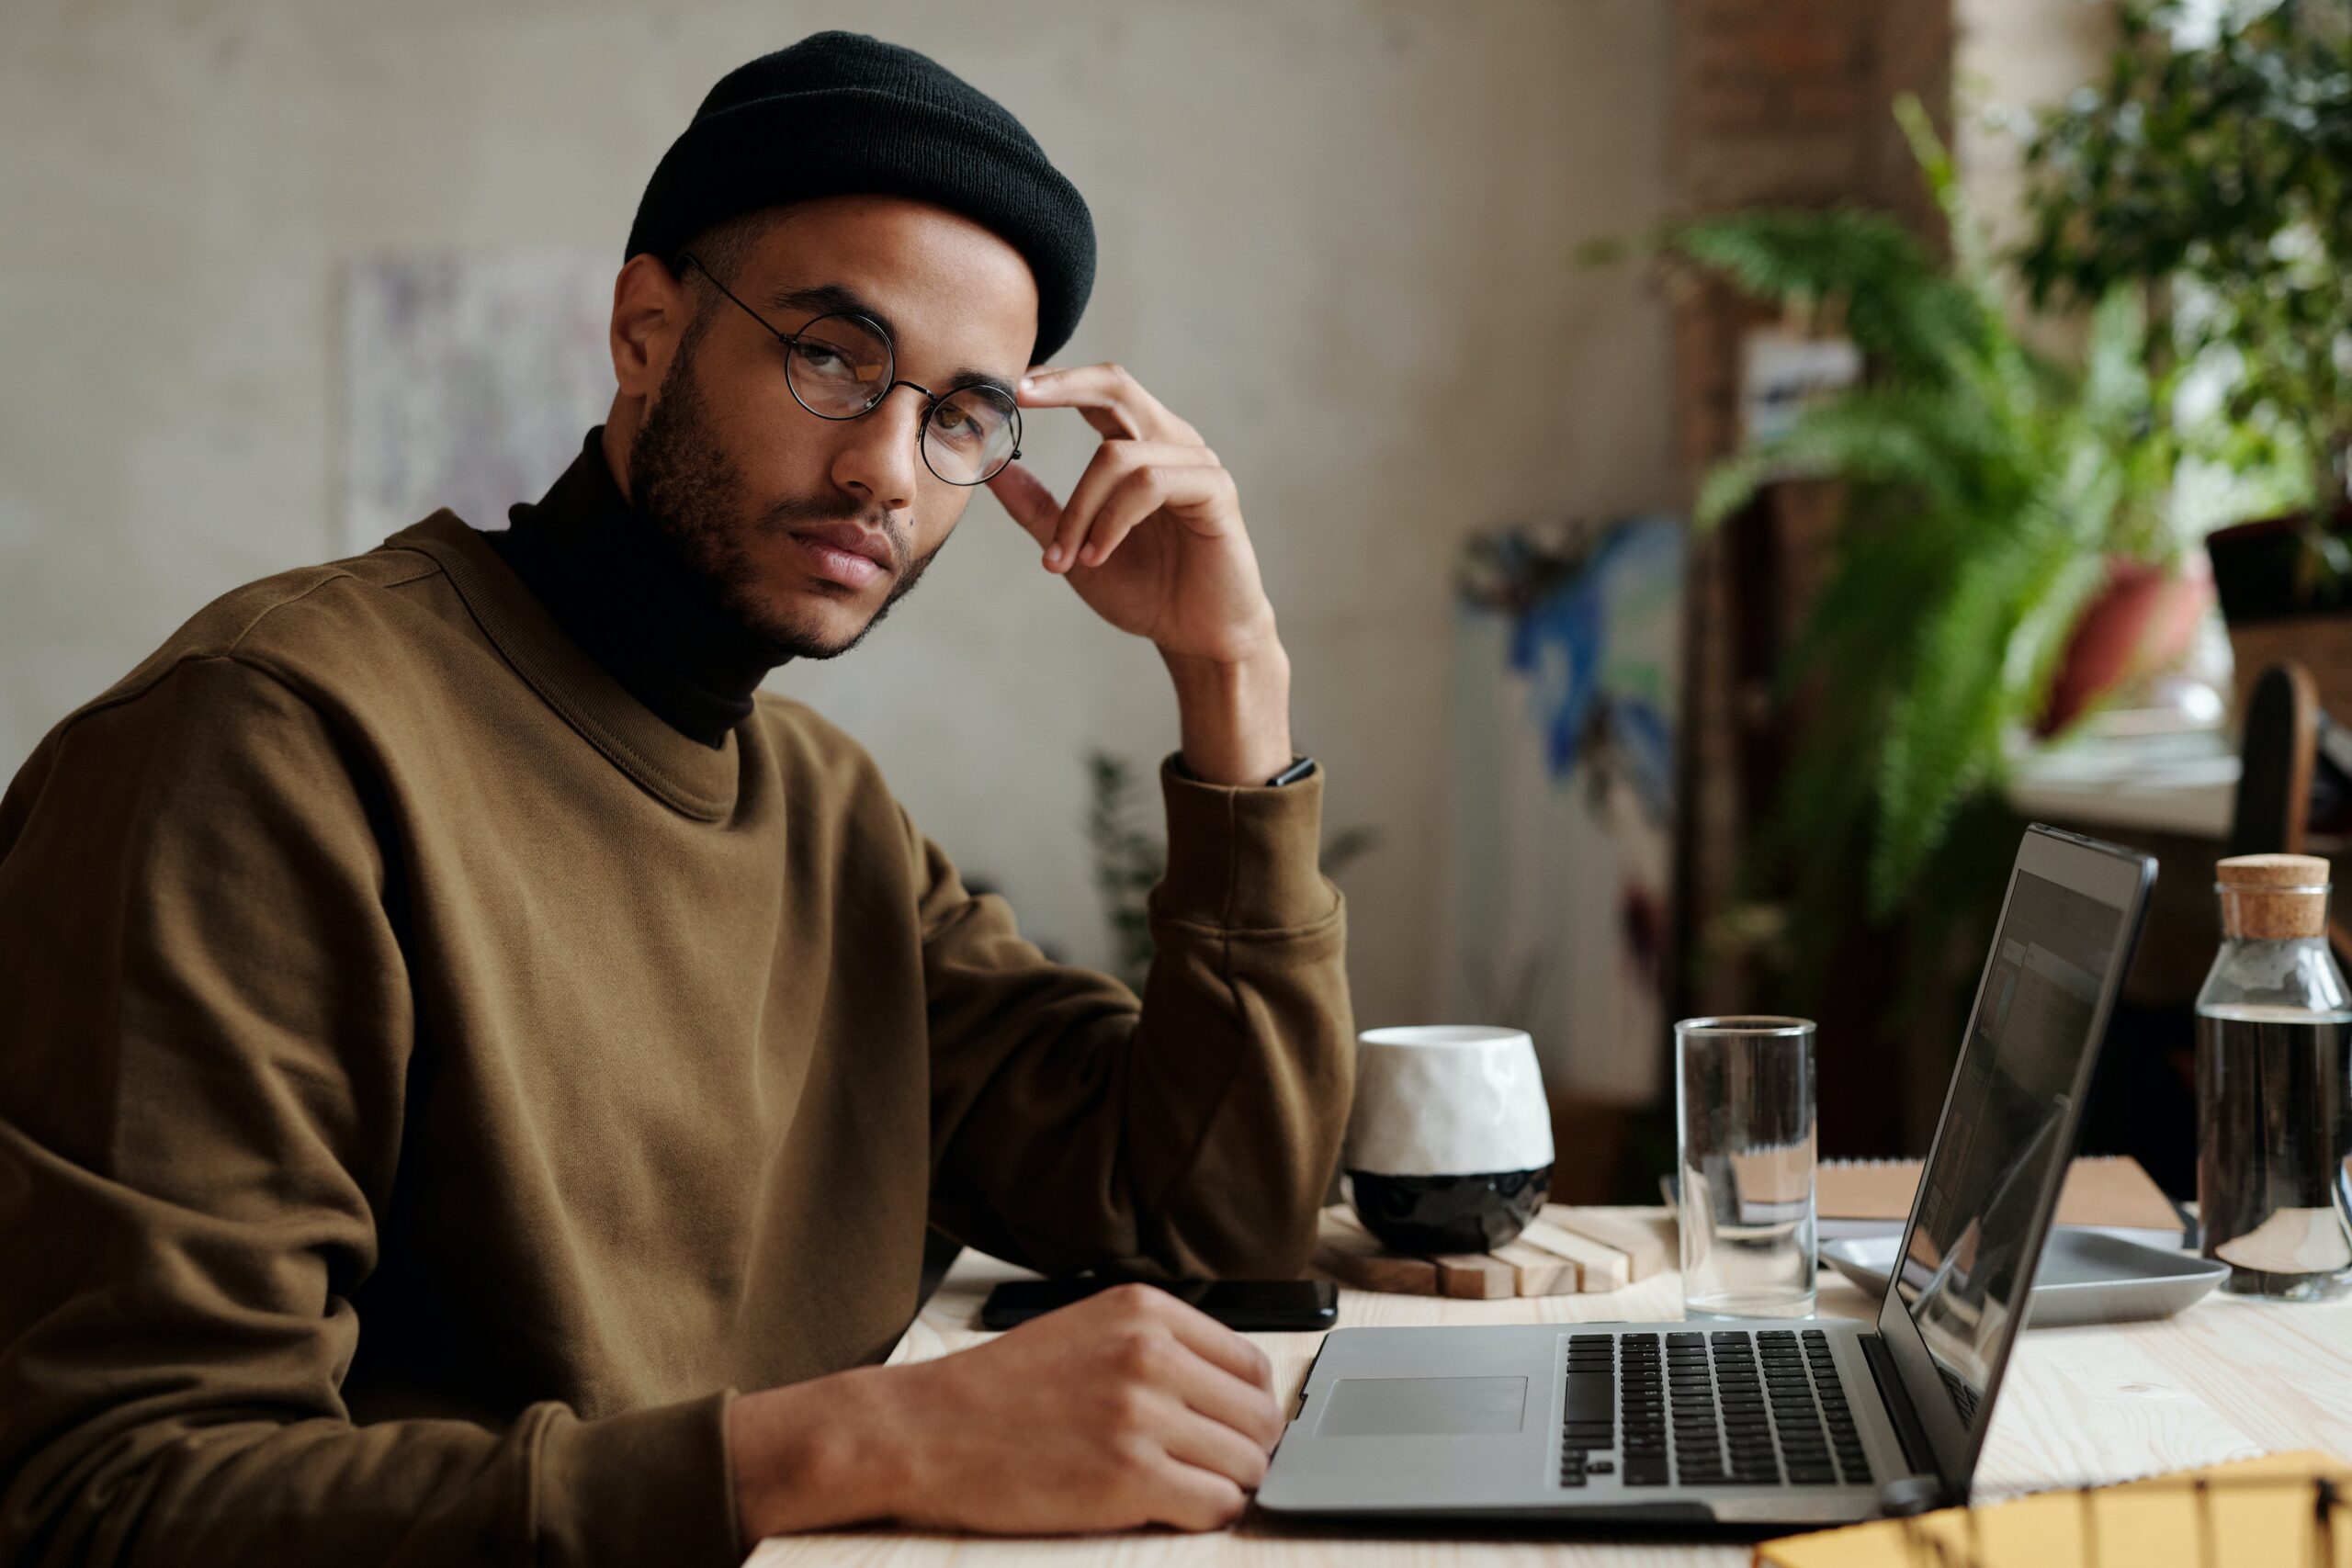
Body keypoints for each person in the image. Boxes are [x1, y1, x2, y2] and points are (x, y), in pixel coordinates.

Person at [0, 31, 1352, 1564]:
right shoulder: (271, 743)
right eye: (836, 356)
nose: (889, 472)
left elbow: (1205, 1216)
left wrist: (1232, 679)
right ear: (647, 328)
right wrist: (856, 1439)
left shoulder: (827, 813)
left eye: (962, 417)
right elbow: (111, 1500)